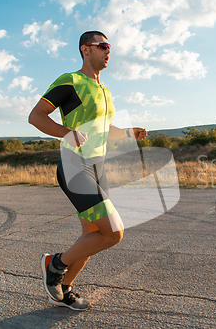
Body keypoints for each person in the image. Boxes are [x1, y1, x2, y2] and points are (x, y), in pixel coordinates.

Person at [28, 31, 147, 311]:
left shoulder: (105, 91)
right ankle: (54, 265)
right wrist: (67, 133)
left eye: (110, 47)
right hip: (74, 166)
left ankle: (61, 289)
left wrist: (129, 133)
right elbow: (36, 117)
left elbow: (103, 131)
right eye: (103, 46)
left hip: (97, 167)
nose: (108, 52)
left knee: (92, 235)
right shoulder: (70, 81)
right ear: (86, 49)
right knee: (113, 233)